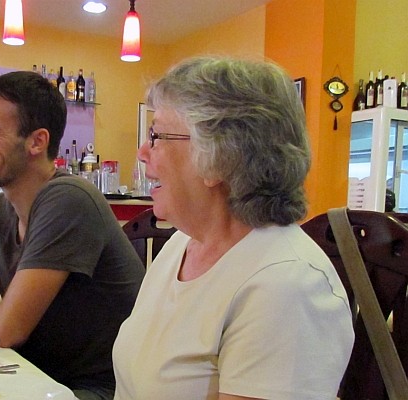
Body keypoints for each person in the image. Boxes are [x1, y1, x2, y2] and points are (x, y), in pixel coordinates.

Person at [112, 56, 355, 400]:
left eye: (156, 135)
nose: (141, 152)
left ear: (220, 157)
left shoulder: (288, 286)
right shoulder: (180, 246)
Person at [0, 71, 145, 400]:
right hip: (39, 378)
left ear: (37, 141)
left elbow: (4, 333)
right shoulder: (4, 207)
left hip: (98, 390)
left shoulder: (68, 198)